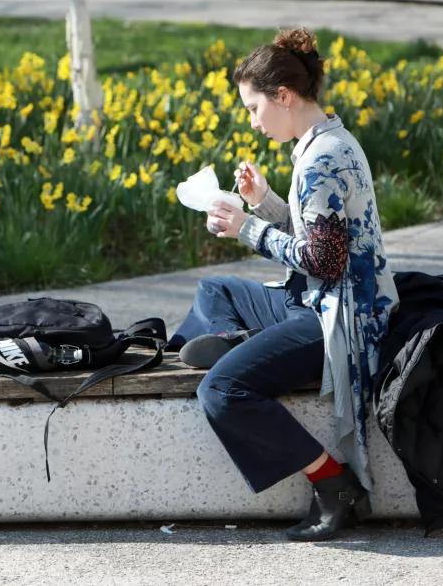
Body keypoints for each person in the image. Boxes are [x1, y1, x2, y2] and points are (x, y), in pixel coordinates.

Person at [170, 28, 399, 541]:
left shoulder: (320, 160)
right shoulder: (326, 140)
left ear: (284, 96)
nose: (252, 121)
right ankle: (234, 340)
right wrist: (264, 203)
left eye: (254, 108)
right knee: (216, 292)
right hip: (322, 301)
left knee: (222, 391)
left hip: (340, 323)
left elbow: (322, 258)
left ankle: (334, 485)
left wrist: (248, 229)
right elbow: (322, 236)